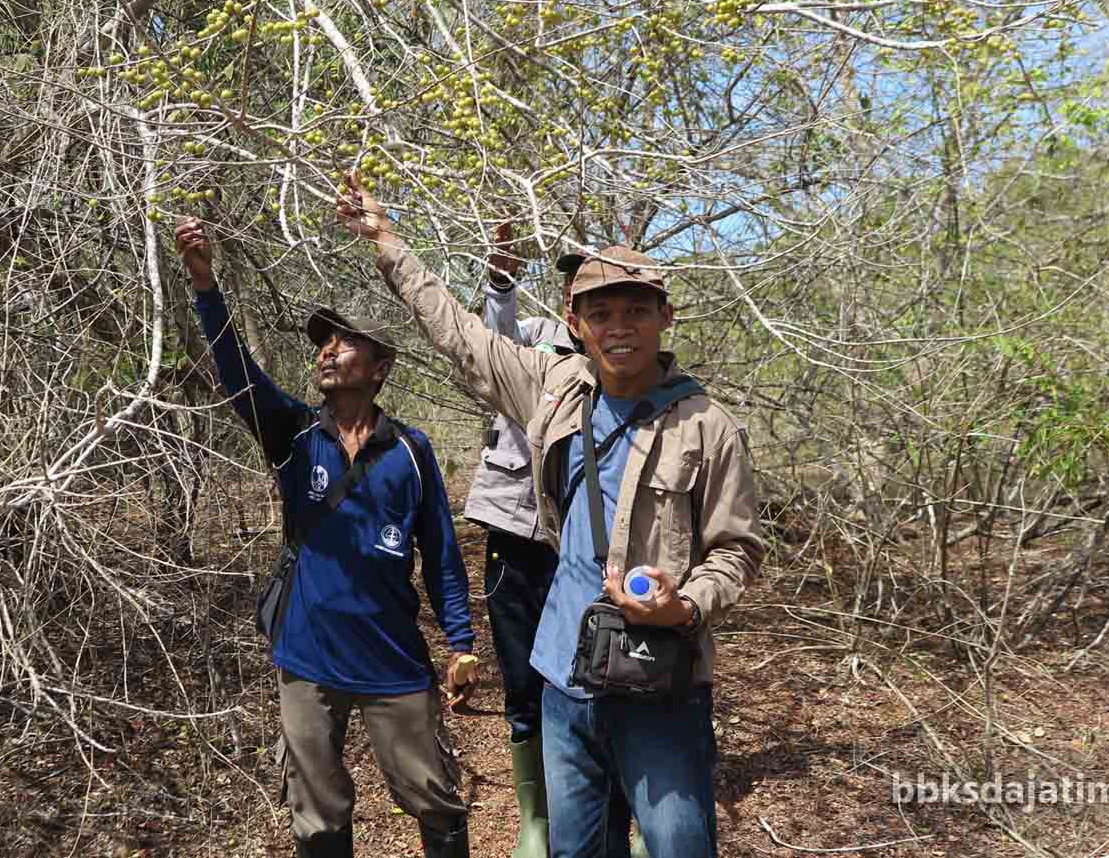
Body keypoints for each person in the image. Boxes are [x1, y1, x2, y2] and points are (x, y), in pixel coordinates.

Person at [335, 178, 765, 858]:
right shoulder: (555, 386)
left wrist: (683, 605)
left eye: (634, 310)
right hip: (564, 671)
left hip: (660, 682)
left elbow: (737, 550)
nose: (617, 326)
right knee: (576, 849)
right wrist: (388, 245)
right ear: (575, 321)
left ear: (665, 318)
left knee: (679, 844)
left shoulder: (707, 426)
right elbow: (460, 334)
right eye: (600, 313)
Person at [175, 216, 477, 858]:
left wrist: (461, 642)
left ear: (380, 367)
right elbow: (238, 373)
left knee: (432, 795)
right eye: (323, 344)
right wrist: (207, 286)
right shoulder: (291, 435)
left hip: (391, 657)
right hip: (307, 657)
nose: (327, 351)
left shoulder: (413, 453)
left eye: (344, 343)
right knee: (315, 809)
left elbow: (443, 555)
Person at [463, 230, 579, 858]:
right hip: (515, 526)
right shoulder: (535, 336)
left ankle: (601, 804)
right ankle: (534, 815)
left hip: (586, 547)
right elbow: (492, 346)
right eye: (575, 282)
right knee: (519, 672)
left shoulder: (624, 363)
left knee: (596, 674)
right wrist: (500, 282)